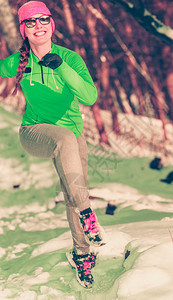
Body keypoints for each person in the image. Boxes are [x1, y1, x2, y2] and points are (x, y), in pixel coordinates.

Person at [0, 0, 105, 289]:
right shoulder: (19, 61)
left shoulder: (69, 59)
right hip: (34, 133)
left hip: (72, 136)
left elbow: (90, 96)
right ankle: (88, 213)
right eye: (30, 22)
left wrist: (61, 68)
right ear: (23, 29)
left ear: (51, 24)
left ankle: (82, 253)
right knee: (64, 139)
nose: (38, 26)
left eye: (43, 20)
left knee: (75, 186)